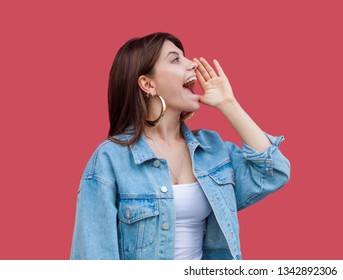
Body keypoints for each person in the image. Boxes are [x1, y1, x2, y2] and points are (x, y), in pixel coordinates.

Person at [70, 32, 290, 260]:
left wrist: (229, 104)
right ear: (148, 84)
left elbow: (274, 171)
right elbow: (93, 259)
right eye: (175, 59)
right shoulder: (110, 160)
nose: (193, 64)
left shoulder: (212, 150)